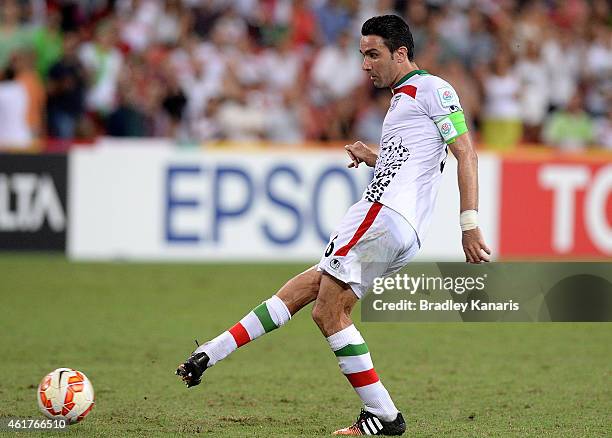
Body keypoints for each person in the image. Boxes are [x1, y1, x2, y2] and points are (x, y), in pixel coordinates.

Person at [176, 15, 490, 436]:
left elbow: (465, 153)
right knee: (307, 289)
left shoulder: (432, 88)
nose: (365, 64)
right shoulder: (403, 98)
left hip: (382, 215)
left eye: (373, 54)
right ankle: (211, 353)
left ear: (401, 53)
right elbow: (417, 160)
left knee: (328, 312)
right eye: (362, 55)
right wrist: (374, 155)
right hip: (401, 228)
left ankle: (384, 415)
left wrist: (468, 223)